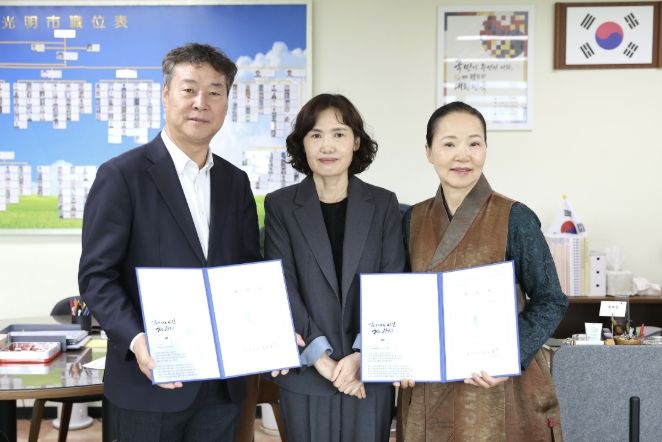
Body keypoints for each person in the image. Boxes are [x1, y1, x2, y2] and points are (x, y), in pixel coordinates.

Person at [78, 43, 261, 441]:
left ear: (226, 103)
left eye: (214, 92)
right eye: (189, 89)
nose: (201, 103)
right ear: (165, 94)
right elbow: (96, 277)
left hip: (221, 386)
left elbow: (248, 271)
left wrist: (270, 329)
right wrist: (138, 339)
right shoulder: (122, 176)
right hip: (148, 381)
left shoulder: (235, 182)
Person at [397, 101, 569, 442]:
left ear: (486, 149)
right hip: (430, 384)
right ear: (429, 151)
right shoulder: (412, 219)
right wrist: (399, 357)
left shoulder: (514, 216)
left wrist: (509, 357)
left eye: (474, 143)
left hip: (497, 382)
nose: (462, 155)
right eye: (449, 143)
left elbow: (551, 299)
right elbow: (401, 300)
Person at [263, 93, 406, 442]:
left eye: (339, 134)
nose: (327, 145)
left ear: (356, 142)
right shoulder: (281, 206)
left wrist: (360, 356)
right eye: (316, 135)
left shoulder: (383, 204)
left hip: (368, 372)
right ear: (303, 143)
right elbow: (282, 285)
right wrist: (322, 360)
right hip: (308, 373)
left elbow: (392, 282)